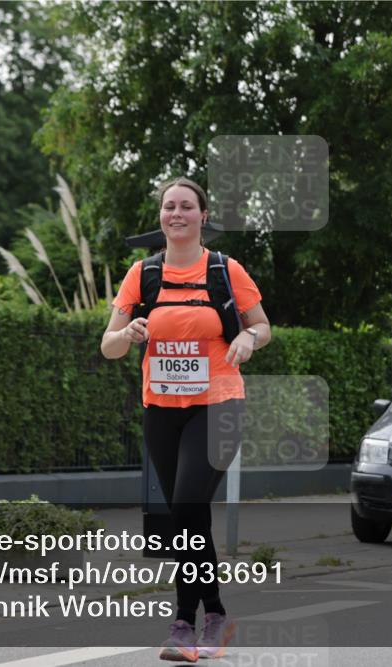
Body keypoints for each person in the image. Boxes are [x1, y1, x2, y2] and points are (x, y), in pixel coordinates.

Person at [101, 177, 271, 660]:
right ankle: (215, 614)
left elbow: (262, 326)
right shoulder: (143, 275)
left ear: (202, 216)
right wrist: (127, 333)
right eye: (169, 206)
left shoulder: (224, 269)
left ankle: (183, 624)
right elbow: (108, 345)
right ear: (161, 216)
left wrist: (248, 338)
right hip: (161, 408)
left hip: (218, 405)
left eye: (186, 206)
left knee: (187, 503)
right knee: (185, 515)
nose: (176, 213)